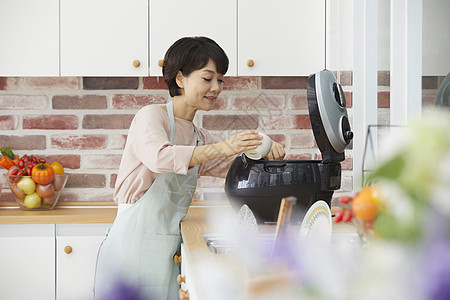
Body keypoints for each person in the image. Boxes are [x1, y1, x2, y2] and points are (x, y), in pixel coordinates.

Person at [93, 36, 285, 300]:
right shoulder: (151, 116)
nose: (216, 87)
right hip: (132, 244)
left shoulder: (198, 136)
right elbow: (160, 157)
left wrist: (263, 150)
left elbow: (233, 166)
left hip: (166, 249)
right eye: (207, 79)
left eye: (220, 80)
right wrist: (226, 146)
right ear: (181, 79)